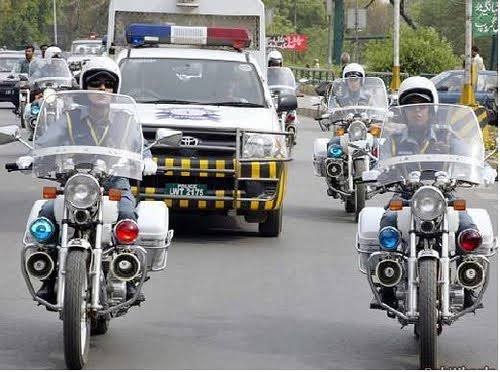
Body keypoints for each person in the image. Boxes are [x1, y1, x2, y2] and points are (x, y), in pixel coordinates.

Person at [30, 57, 158, 303]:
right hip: (77, 181)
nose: (101, 90)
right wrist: (33, 155)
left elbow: (140, 148)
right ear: (85, 88)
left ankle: (128, 275)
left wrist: (147, 160)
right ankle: (47, 277)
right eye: (95, 84)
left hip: (114, 182)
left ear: (114, 90)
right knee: (47, 213)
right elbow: (46, 142)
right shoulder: (69, 118)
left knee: (127, 213)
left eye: (107, 85)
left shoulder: (126, 120)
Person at [377, 76, 483, 308]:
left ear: (432, 109)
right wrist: (377, 174)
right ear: (404, 112)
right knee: (387, 223)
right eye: (412, 106)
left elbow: (467, 156)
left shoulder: (447, 135)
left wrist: (479, 169)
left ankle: (468, 282)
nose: (417, 111)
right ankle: (387, 281)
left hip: (443, 195)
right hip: (406, 195)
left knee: (468, 227)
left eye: (422, 106)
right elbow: (381, 163)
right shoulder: (393, 140)